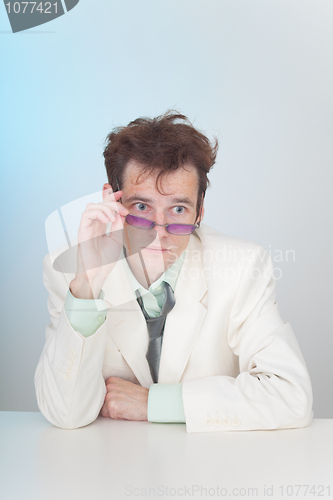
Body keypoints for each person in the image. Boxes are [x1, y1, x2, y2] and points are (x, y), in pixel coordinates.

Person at [35, 111, 313, 432]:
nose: (159, 231)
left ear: (199, 213)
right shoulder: (69, 272)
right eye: (141, 207)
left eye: (178, 209)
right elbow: (65, 413)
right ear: (111, 201)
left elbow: (291, 396)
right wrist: (86, 288)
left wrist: (155, 403)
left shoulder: (241, 267)